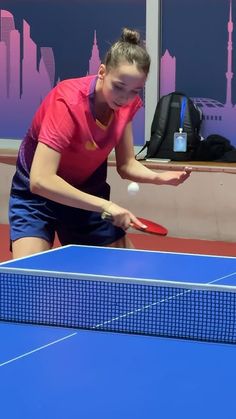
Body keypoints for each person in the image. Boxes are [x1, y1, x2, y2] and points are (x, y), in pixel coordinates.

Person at [9, 27, 191, 259]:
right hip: (36, 200)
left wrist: (160, 178)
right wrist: (106, 206)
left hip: (86, 193)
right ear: (102, 71)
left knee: (128, 274)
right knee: (27, 278)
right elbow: (40, 180)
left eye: (135, 91)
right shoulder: (67, 103)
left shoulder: (126, 106)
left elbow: (126, 164)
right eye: (119, 86)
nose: (125, 97)